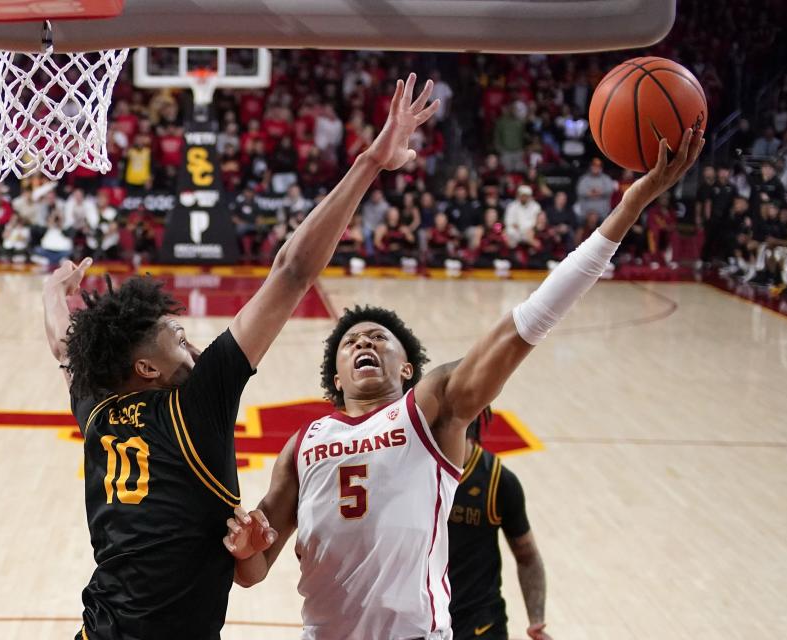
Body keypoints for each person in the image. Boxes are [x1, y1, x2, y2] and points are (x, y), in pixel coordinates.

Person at [223, 129, 704, 640]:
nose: (364, 340)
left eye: (381, 338)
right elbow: (252, 574)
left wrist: (627, 208)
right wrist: (248, 549)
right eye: (351, 340)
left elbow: (526, 323)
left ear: (408, 368)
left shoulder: (430, 410)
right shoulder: (303, 445)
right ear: (335, 377)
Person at [41, 73, 440, 640]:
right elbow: (293, 271)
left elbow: (65, 348)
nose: (196, 346)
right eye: (177, 339)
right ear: (148, 370)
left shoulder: (101, 414)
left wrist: (50, 296)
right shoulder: (195, 403)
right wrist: (370, 163)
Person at [448, 408, 550, 640]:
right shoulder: (418, 472)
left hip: (481, 624)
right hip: (424, 620)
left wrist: (536, 621)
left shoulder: (498, 481)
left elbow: (527, 556)